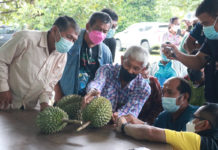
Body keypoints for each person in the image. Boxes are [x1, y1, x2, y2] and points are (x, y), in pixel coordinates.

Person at [0, 16, 80, 110]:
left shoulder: (62, 56)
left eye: (74, 40)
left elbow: (50, 83)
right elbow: (1, 59)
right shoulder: (26, 38)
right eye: (69, 37)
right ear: (54, 30)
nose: (70, 42)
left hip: (29, 109)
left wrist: (44, 102)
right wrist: (3, 88)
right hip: (4, 100)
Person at [162, 0, 218, 103]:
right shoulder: (211, 40)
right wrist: (177, 54)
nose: (204, 28)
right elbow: (198, 60)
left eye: (206, 24)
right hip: (212, 99)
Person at [82, 46, 151, 123]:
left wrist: (115, 116)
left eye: (136, 68)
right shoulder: (106, 70)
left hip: (118, 127)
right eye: (127, 65)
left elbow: (130, 111)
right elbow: (98, 82)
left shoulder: (143, 89)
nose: (130, 71)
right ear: (122, 59)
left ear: (143, 69)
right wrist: (93, 90)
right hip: (93, 119)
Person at [56, 12, 113, 99]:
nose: (100, 34)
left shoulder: (106, 53)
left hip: (89, 102)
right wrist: (59, 98)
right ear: (87, 27)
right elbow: (54, 71)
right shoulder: (70, 43)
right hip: (65, 99)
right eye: (98, 29)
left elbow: (107, 80)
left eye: (104, 31)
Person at [116, 103, 218, 150]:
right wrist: (142, 124)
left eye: (195, 117)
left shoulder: (197, 141)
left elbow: (151, 133)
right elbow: (168, 135)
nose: (192, 121)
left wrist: (124, 126)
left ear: (204, 124)